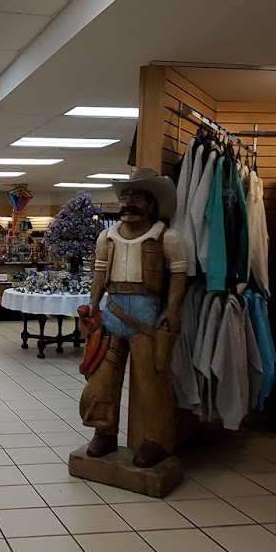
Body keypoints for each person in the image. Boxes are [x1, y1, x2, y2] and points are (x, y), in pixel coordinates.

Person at [78, 170, 187, 466]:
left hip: (146, 315)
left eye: (137, 198)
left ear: (151, 204)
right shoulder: (106, 237)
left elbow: (179, 276)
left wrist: (171, 309)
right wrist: (92, 304)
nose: (129, 204)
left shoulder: (167, 237)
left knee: (150, 381)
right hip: (112, 314)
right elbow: (100, 274)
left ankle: (156, 439)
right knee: (103, 378)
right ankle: (105, 431)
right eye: (125, 198)